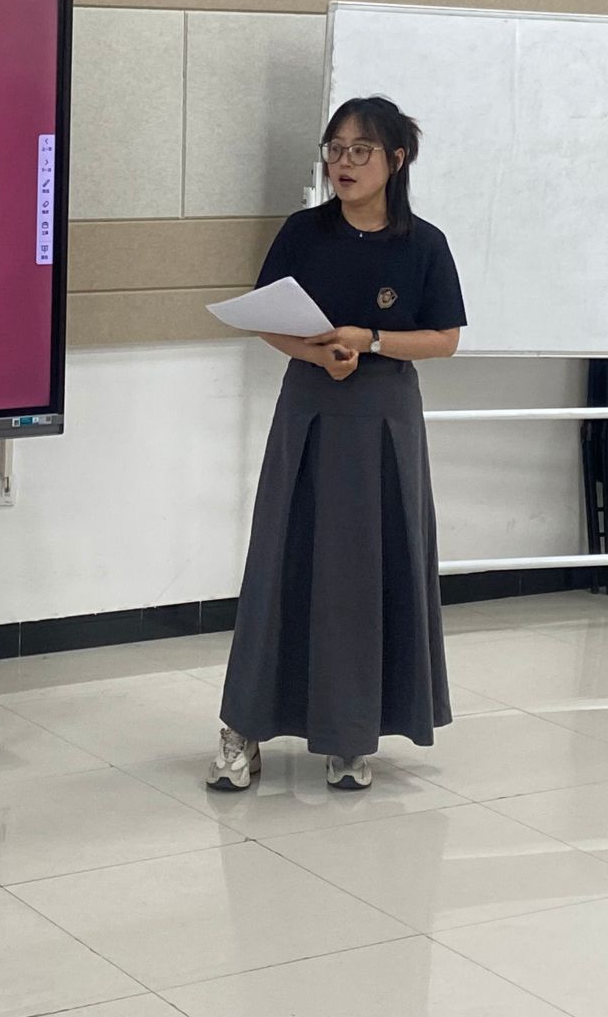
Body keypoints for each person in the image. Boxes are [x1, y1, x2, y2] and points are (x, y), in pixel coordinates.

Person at [211, 96, 467, 793]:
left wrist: (370, 340)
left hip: (385, 418)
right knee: (282, 560)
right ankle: (244, 729)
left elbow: (444, 338)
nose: (343, 163)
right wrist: (318, 354)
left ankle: (351, 736)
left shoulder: (424, 244)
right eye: (335, 149)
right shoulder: (305, 231)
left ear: (397, 160)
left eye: (360, 151)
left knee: (369, 570)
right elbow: (266, 317)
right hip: (310, 408)